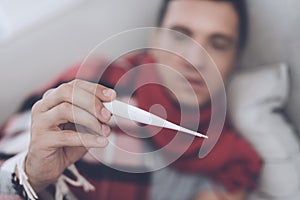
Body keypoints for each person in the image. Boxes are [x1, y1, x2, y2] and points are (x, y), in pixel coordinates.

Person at [0, 0, 262, 199]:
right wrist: (30, 175)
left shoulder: (227, 158)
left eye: (218, 44)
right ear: (155, 38)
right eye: (180, 34)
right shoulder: (93, 81)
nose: (194, 59)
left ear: (235, 60)